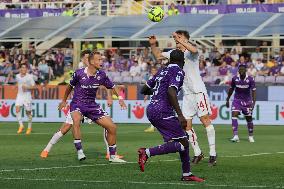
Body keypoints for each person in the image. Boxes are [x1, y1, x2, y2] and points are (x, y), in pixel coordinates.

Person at [149, 31, 217, 166]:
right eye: (175, 38)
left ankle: (213, 154)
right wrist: (153, 45)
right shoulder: (174, 54)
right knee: (186, 125)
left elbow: (194, 49)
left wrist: (182, 41)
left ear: (185, 39)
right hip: (187, 95)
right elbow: (157, 55)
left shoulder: (192, 53)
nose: (176, 39)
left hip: (198, 92)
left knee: (205, 120)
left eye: (179, 37)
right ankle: (198, 153)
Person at [138, 49, 204, 182]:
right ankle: (147, 152)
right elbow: (171, 92)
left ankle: (187, 174)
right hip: (163, 110)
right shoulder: (178, 71)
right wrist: (180, 115)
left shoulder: (162, 70)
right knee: (183, 143)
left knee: (183, 140)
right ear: (182, 61)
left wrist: (158, 93)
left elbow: (143, 90)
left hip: (152, 109)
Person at [58, 52, 126, 162]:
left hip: (91, 105)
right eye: (99, 60)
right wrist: (64, 101)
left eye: (101, 59)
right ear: (91, 61)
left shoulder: (102, 75)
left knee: (112, 127)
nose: (101, 62)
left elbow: (113, 86)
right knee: (76, 121)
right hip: (77, 103)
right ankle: (80, 151)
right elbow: (69, 87)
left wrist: (121, 99)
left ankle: (113, 156)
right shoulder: (79, 73)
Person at [226, 64, 256, 143]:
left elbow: (254, 91)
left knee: (248, 118)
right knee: (234, 114)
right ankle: (235, 136)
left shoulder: (250, 79)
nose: (241, 71)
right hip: (237, 100)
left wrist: (253, 102)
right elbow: (231, 89)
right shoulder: (235, 79)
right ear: (238, 70)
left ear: (246, 70)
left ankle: (250, 136)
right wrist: (227, 99)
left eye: (243, 69)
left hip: (247, 101)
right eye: (240, 69)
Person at [16, 64, 36, 135]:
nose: (23, 69)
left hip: (27, 96)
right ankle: (21, 126)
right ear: (20, 69)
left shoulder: (30, 77)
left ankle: (29, 127)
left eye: (25, 68)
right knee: (17, 109)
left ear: (26, 69)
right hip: (20, 95)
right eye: (22, 67)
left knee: (28, 113)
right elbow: (18, 83)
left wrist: (27, 87)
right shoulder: (17, 76)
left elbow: (34, 87)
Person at [143, 66, 158, 133]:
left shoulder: (159, 77)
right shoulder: (151, 77)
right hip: (152, 96)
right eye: (152, 70)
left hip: (158, 96)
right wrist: (146, 95)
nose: (153, 71)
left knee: (155, 112)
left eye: (154, 70)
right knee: (153, 112)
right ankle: (153, 127)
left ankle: (153, 127)